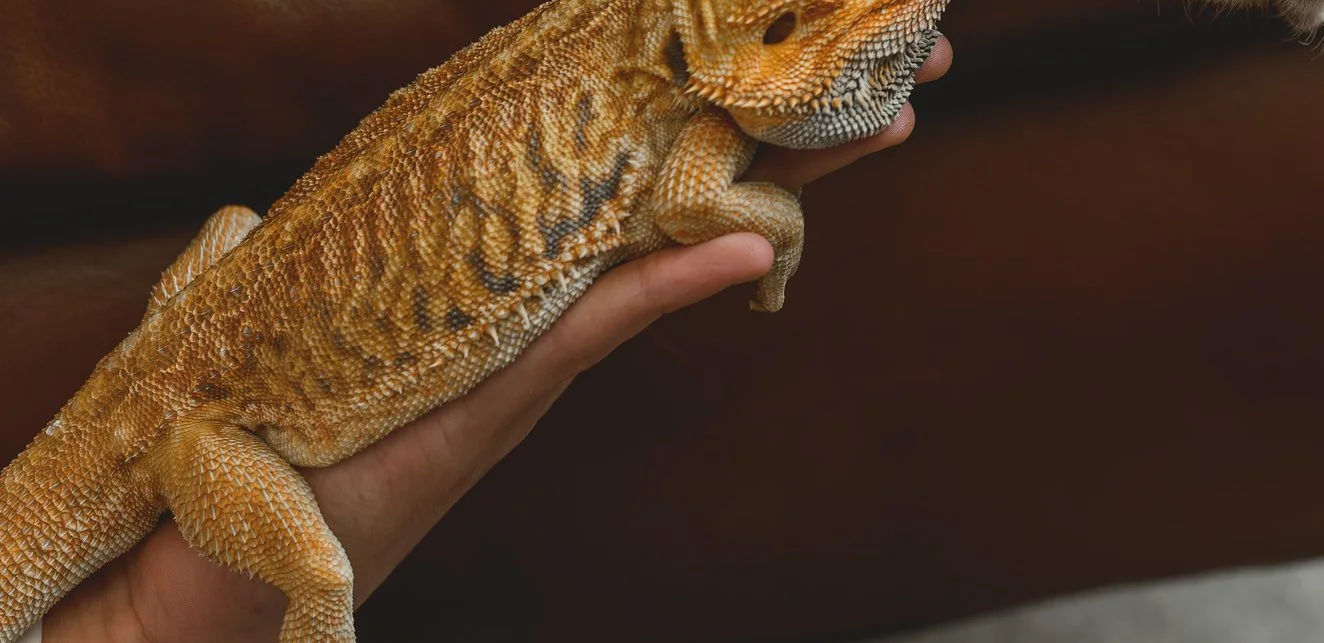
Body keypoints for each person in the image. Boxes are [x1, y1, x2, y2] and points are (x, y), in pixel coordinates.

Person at [25, 41, 949, 643]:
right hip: (196, 429)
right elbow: (689, 201)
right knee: (319, 578)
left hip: (191, 375)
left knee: (238, 227)